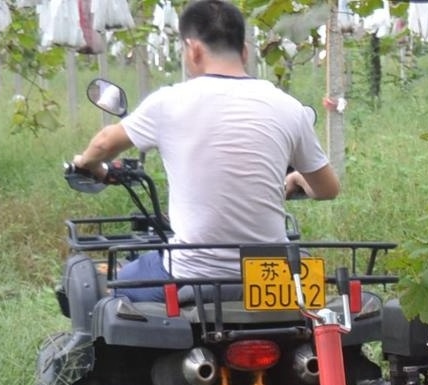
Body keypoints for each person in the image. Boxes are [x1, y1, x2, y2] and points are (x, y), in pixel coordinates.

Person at [71, 0, 340, 302]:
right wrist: (295, 180)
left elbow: (106, 143)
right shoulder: (289, 108)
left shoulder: (170, 102)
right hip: (272, 273)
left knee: (109, 287)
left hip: (192, 272)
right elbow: (328, 188)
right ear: (245, 51)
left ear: (193, 48)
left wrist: (86, 163)